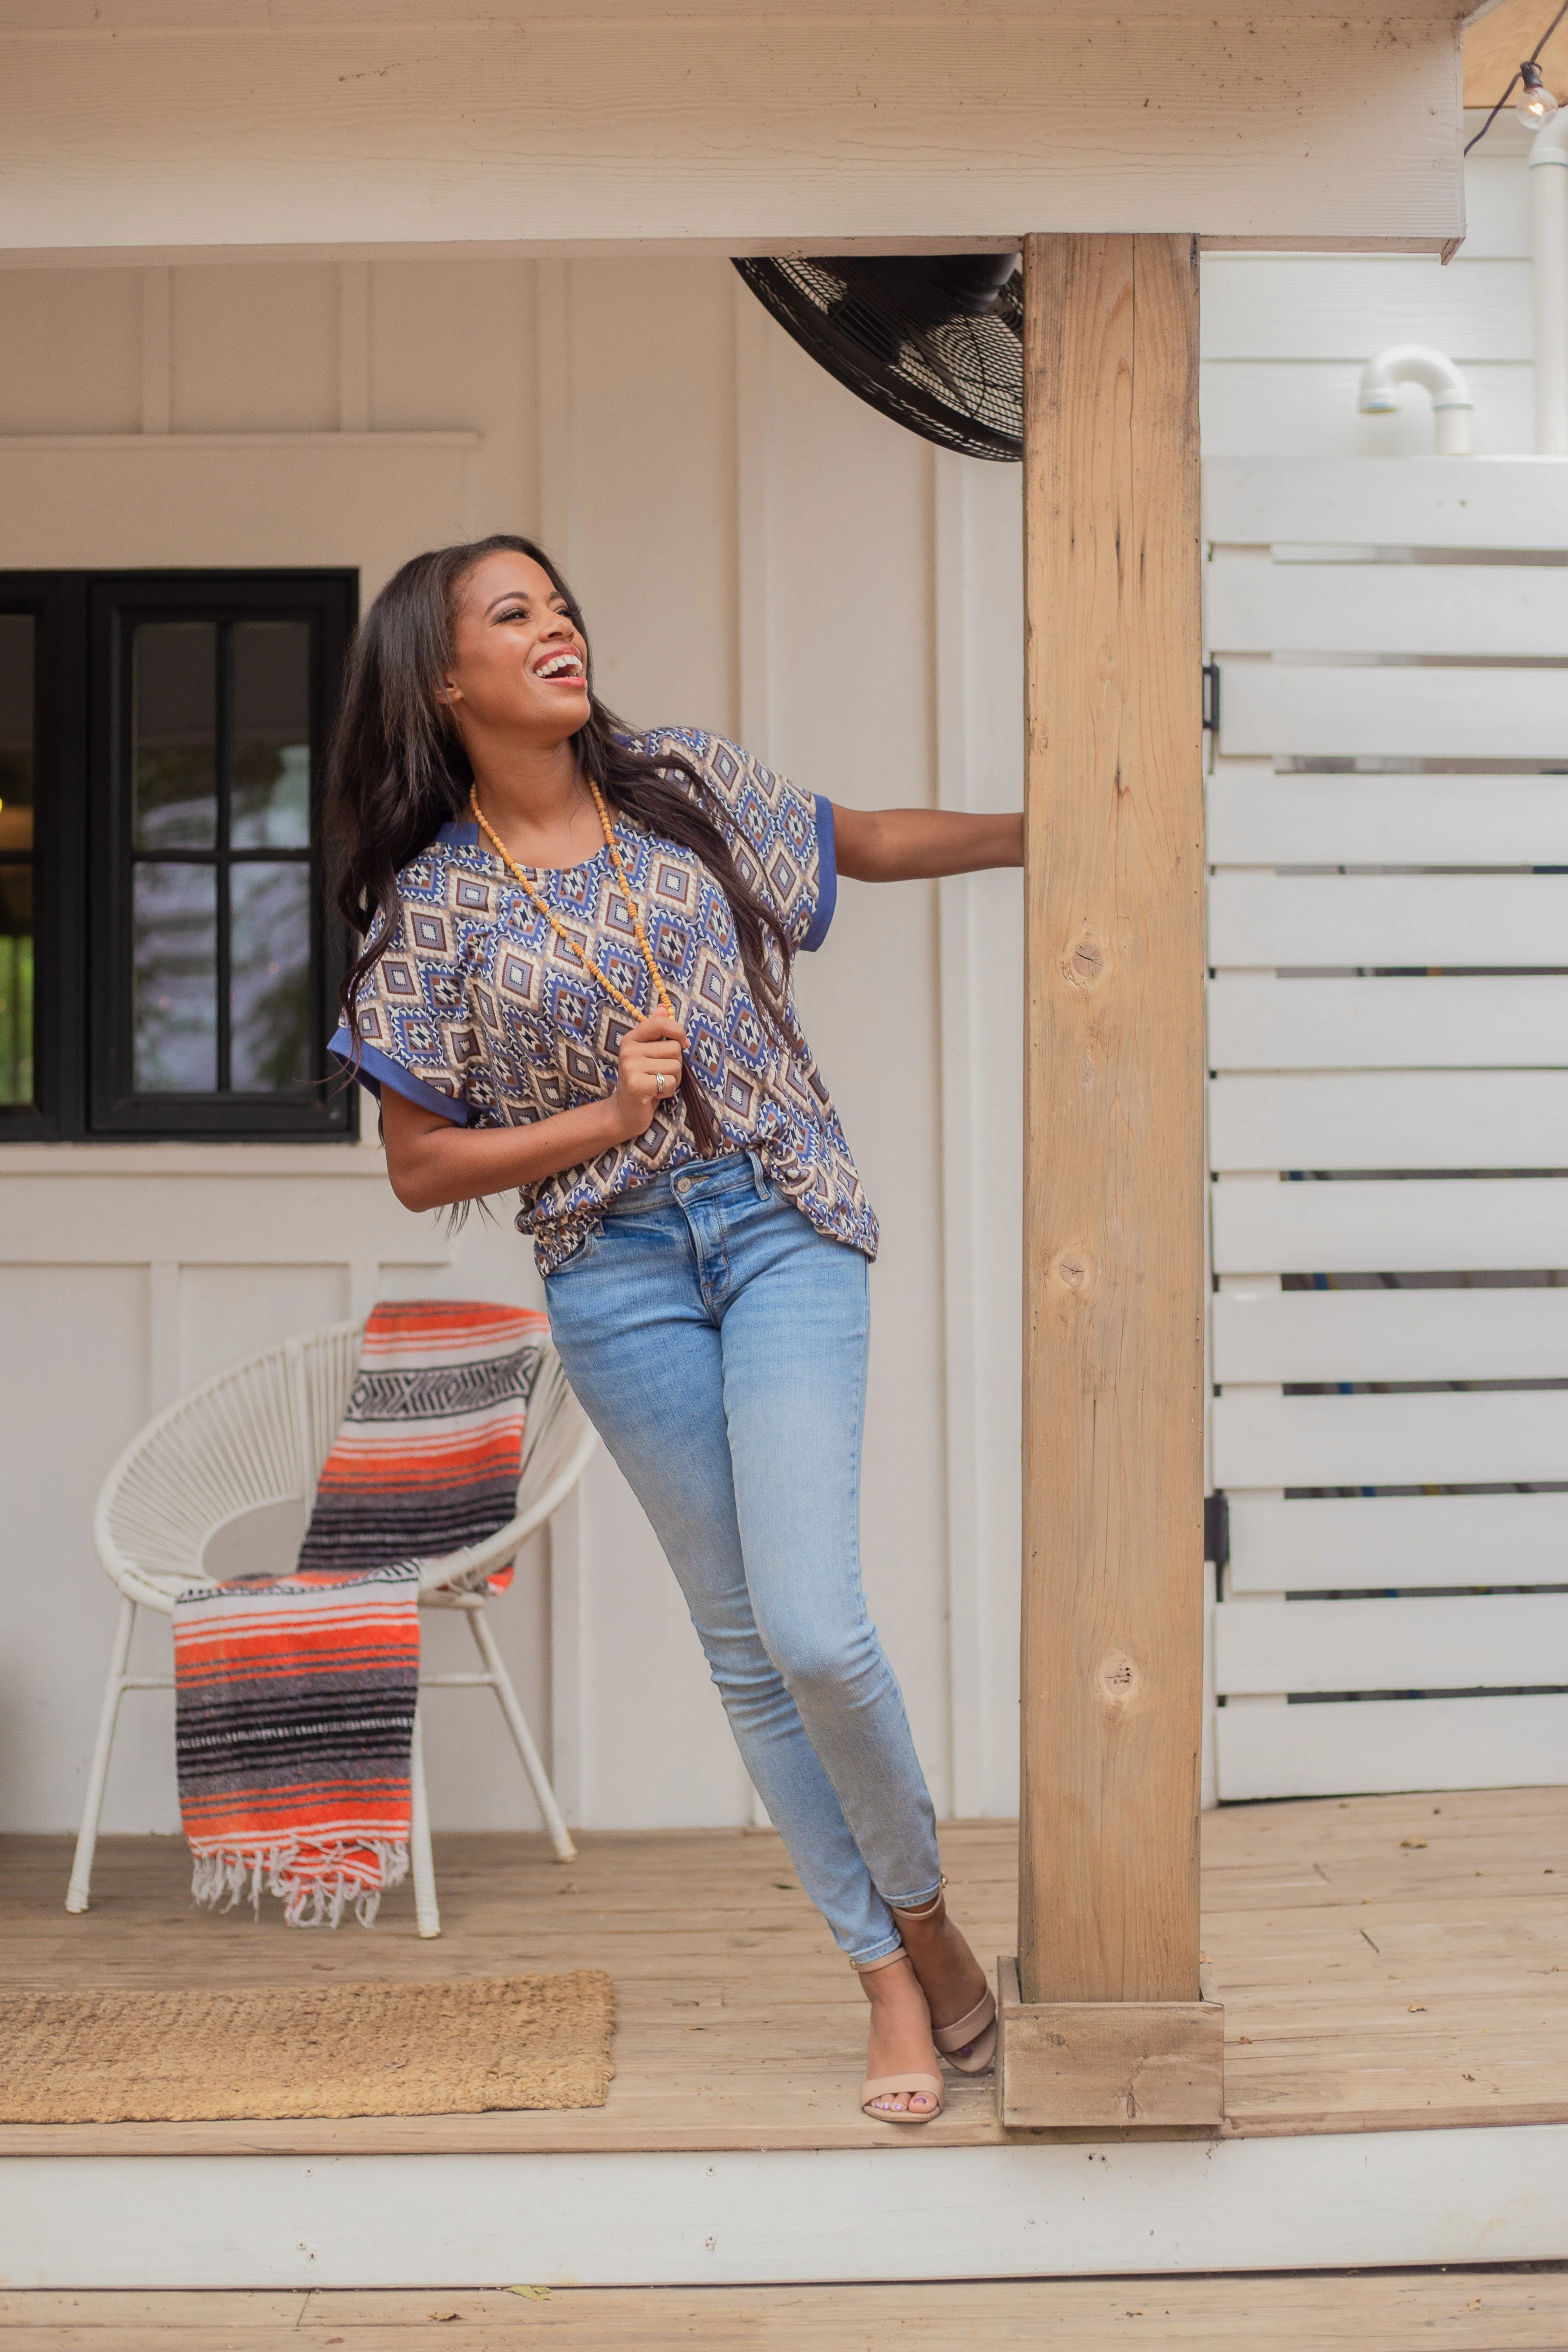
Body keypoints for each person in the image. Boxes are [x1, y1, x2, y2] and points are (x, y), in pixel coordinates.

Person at [326, 534, 1023, 2123]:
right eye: (517, 615)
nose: (557, 626)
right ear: (448, 677)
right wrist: (597, 1116)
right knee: (746, 1654)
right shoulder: (435, 909)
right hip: (616, 1276)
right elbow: (421, 1164)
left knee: (815, 1626)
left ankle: (926, 1917)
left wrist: (1061, 831)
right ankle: (889, 1991)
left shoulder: (681, 787)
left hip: (779, 1218)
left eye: (561, 602)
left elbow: (868, 839)